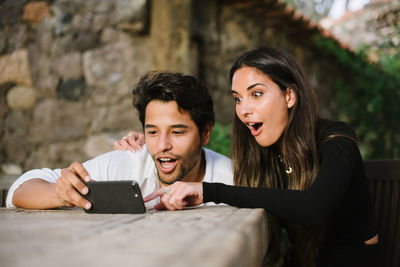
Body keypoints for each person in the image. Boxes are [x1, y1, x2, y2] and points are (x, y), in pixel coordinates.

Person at [142, 47, 379, 266]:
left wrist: (208, 191)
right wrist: (148, 141)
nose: (244, 109)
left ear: (289, 96)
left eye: (256, 94)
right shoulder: (265, 151)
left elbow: (315, 208)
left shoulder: (336, 138)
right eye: (238, 98)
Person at [6, 71, 233, 210]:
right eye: (152, 132)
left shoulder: (232, 178)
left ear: (205, 134)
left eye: (177, 132)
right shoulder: (128, 163)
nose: (163, 145)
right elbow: (19, 190)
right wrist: (62, 193)